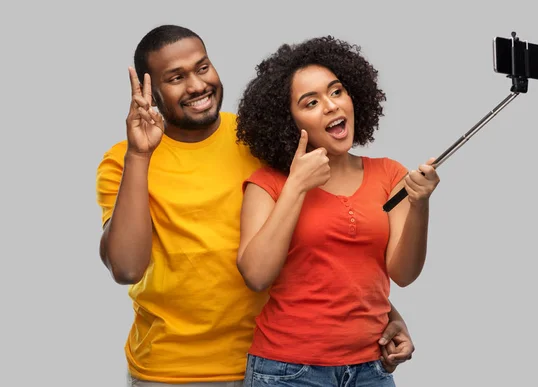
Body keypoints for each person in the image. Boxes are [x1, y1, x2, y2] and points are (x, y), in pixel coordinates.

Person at [95, 25, 415, 387]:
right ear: (151, 93)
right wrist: (139, 154)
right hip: (172, 371)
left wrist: (386, 315)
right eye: (176, 78)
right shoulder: (125, 160)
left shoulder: (259, 140)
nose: (197, 85)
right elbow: (125, 268)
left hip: (275, 362)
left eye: (203, 67)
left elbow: (321, 246)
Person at [235, 36, 441, 386]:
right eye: (310, 102)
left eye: (336, 91)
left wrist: (420, 205)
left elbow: (403, 274)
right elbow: (255, 275)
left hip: (371, 368)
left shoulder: (389, 174)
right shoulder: (267, 184)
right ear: (289, 122)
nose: (330, 106)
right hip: (288, 371)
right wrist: (297, 185)